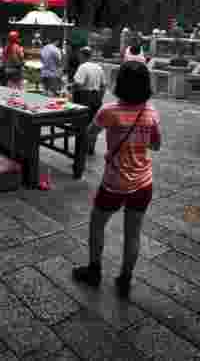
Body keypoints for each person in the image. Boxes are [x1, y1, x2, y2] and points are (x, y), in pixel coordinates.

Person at [73, 61, 161, 299]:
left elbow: (90, 135)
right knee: (133, 233)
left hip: (114, 183)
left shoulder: (109, 112)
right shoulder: (151, 113)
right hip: (143, 183)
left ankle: (94, 271)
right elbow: (156, 145)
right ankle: (125, 279)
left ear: (120, 83)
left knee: (97, 223)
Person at [72, 47, 106, 154]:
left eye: (79, 55)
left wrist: (71, 89)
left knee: (82, 124)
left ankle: (81, 148)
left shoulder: (82, 67)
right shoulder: (98, 67)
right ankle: (91, 147)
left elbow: (78, 83)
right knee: (94, 123)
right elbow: (104, 86)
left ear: (82, 55)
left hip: (84, 97)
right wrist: (100, 97)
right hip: (96, 97)